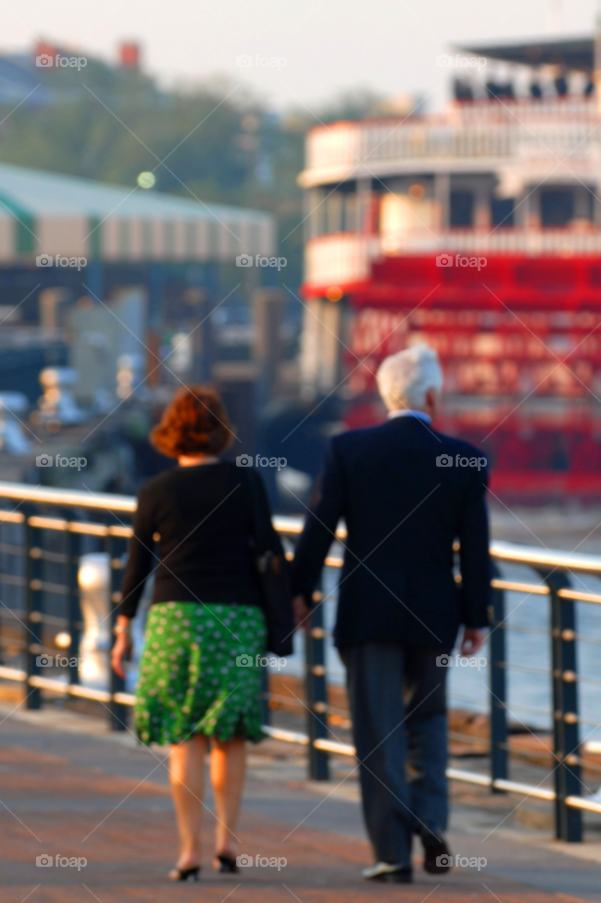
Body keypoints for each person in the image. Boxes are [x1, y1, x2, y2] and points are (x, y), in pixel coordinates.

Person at [291, 344, 492, 884]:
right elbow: (476, 549)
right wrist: (477, 616)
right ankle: (430, 819)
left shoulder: (349, 450)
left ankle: (393, 853)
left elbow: (319, 529)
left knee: (378, 732)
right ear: (431, 395)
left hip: (367, 612)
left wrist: (299, 593)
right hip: (434, 614)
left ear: (386, 396)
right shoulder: (465, 459)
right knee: (427, 723)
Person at [111, 386, 289, 882]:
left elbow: (137, 568)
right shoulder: (246, 483)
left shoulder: (155, 491)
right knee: (228, 735)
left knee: (183, 736)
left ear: (172, 432)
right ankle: (226, 842)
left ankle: (188, 851)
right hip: (237, 619)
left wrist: (122, 629)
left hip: (175, 620)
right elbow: (270, 548)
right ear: (221, 431)